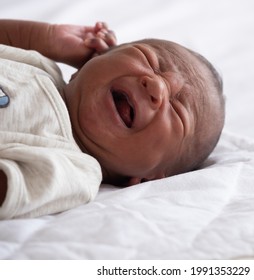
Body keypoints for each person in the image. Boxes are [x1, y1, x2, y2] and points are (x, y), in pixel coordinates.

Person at [0, 19, 225, 219]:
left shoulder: (77, 171)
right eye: (151, 61)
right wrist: (45, 38)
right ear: (95, 59)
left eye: (177, 110)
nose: (156, 86)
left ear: (148, 178)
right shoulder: (39, 65)